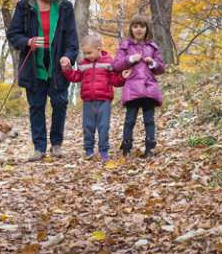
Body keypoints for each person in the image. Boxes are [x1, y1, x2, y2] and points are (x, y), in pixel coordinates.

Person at [6, 0, 78, 161]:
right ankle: (39, 148)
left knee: (60, 103)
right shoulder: (24, 6)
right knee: (36, 106)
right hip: (33, 64)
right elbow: (13, 34)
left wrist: (69, 57)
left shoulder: (65, 6)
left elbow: (72, 40)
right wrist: (27, 42)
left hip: (57, 64)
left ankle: (56, 145)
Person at [60, 34, 128, 161]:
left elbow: (115, 80)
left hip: (104, 101)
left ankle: (103, 151)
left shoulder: (109, 62)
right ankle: (89, 150)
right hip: (88, 101)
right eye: (84, 53)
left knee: (103, 126)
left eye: (89, 53)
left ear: (99, 48)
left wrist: (123, 77)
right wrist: (67, 69)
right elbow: (75, 77)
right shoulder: (83, 64)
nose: (87, 56)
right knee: (88, 126)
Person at [111, 14, 165, 158]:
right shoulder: (125, 46)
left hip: (149, 88)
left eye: (142, 26)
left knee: (149, 120)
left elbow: (161, 68)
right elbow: (115, 65)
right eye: (135, 26)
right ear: (131, 29)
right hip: (133, 88)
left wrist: (152, 62)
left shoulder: (152, 47)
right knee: (130, 120)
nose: (139, 29)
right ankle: (126, 148)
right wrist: (129, 59)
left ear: (147, 29)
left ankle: (150, 148)